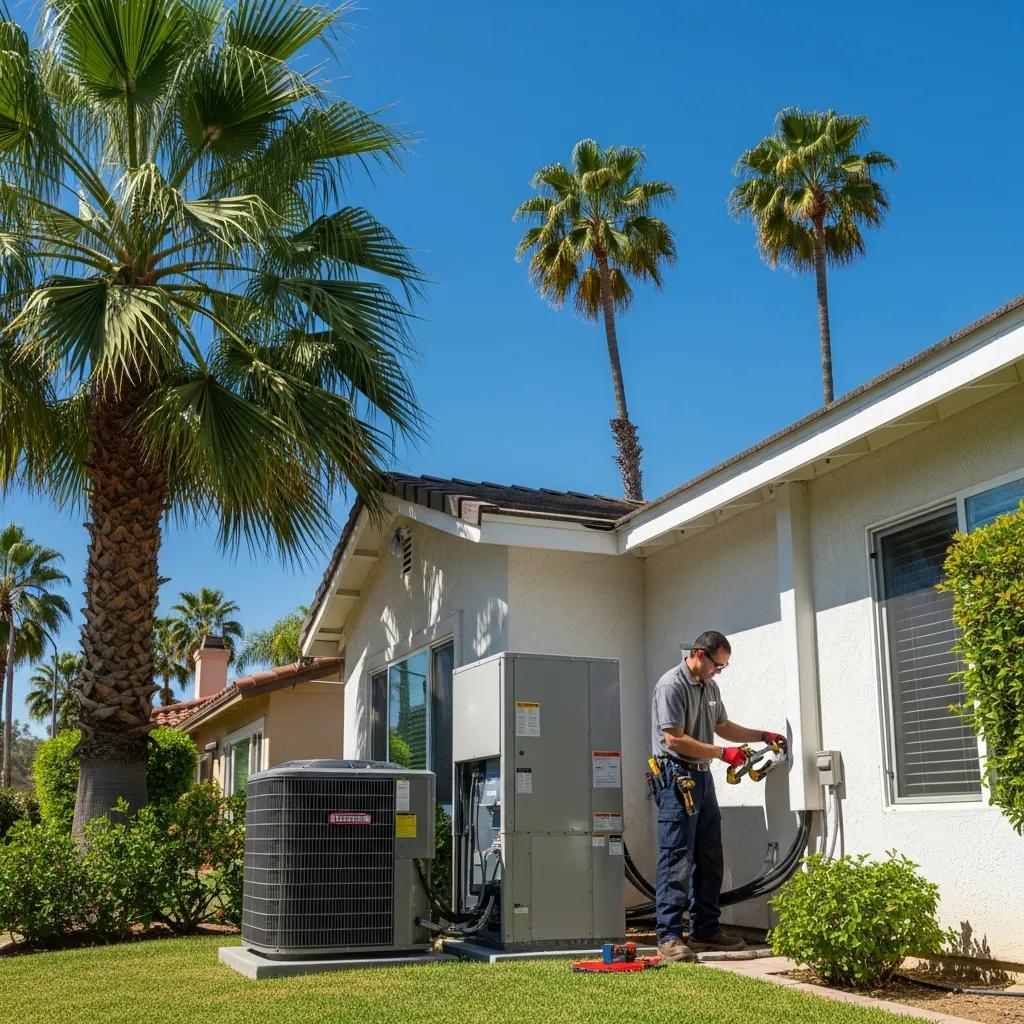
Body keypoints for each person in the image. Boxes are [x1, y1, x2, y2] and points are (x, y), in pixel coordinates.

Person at [650, 630, 786, 962]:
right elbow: (674, 739)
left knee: (710, 856)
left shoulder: (710, 687)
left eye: (722, 667)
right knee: (677, 857)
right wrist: (722, 754)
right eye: (717, 665)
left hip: (701, 777)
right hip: (675, 776)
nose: (718, 672)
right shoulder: (672, 685)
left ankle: (705, 930)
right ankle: (669, 936)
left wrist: (761, 735)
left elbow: (722, 726)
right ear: (699, 653)